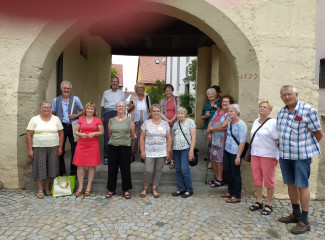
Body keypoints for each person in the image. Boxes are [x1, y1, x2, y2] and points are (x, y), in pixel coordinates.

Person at [277, 85, 323, 234]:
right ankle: (295, 214)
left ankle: (305, 220)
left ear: (296, 94)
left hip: (301, 156)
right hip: (285, 155)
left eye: (289, 94)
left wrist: (308, 150)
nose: (287, 97)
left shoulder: (308, 110)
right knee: (290, 184)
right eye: (284, 95)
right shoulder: (281, 112)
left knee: (302, 185)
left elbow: (318, 134)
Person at [26, 101, 64, 199]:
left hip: (53, 147)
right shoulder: (35, 119)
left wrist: (60, 147)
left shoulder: (56, 119)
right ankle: (39, 189)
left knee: (51, 167)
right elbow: (29, 135)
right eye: (44, 107)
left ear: (51, 109)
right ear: (40, 109)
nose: (46, 109)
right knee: (40, 167)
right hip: (39, 147)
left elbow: (61, 133)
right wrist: (30, 150)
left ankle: (47, 187)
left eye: (48, 107)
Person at [248, 100, 278, 215]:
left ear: (270, 110)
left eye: (265, 107)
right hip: (255, 154)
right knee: (257, 179)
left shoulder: (273, 123)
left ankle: (269, 204)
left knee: (269, 181)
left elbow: (277, 140)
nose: (262, 108)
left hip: (268, 155)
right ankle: (259, 201)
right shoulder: (256, 121)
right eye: (260, 106)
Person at [139, 104, 171, 198]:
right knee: (148, 170)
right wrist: (142, 151)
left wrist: (168, 151)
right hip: (149, 151)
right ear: (151, 112)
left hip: (161, 151)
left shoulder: (165, 123)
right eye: (154, 111)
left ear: (161, 112)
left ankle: (154, 189)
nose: (156, 113)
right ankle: (144, 188)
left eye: (158, 111)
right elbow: (141, 138)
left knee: (158, 171)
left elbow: (169, 138)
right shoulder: (146, 123)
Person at [52, 80, 83, 176]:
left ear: (70, 89)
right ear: (61, 89)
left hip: (73, 127)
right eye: (64, 88)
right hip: (61, 127)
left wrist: (76, 115)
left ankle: (73, 172)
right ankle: (62, 172)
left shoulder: (76, 99)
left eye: (68, 88)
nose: (66, 90)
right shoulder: (55, 100)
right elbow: (53, 113)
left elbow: (82, 110)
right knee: (60, 149)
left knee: (75, 150)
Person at [73, 102, 104, 197]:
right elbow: (75, 131)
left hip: (93, 145)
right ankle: (80, 186)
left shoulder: (97, 120)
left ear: (94, 111)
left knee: (91, 165)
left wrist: (94, 133)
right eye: (88, 109)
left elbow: (102, 132)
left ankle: (89, 186)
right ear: (85, 110)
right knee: (80, 165)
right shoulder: (81, 119)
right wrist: (80, 134)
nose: (89, 110)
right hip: (81, 144)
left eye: (92, 109)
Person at [105, 101, 135, 200]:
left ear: (125, 108)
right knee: (112, 169)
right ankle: (111, 189)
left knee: (125, 169)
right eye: (119, 106)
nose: (121, 107)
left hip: (125, 147)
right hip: (113, 147)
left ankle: (125, 190)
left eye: (123, 106)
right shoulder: (111, 120)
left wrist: (124, 141)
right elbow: (110, 134)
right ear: (116, 108)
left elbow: (132, 135)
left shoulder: (129, 120)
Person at [206, 95, 234, 187]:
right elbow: (211, 121)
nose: (224, 103)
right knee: (213, 158)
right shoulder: (218, 110)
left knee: (219, 159)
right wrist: (208, 132)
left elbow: (224, 126)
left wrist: (211, 129)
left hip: (222, 139)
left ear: (230, 103)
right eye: (223, 101)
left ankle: (220, 179)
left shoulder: (229, 113)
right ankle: (216, 177)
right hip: (213, 138)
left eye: (227, 101)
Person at [221, 104, 247, 203]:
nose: (229, 113)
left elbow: (242, 141)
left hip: (236, 152)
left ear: (237, 112)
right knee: (227, 171)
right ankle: (230, 191)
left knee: (235, 173)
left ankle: (237, 195)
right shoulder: (230, 123)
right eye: (228, 111)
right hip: (228, 150)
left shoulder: (241, 124)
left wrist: (238, 156)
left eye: (231, 111)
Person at [171, 107, 196, 198]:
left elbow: (193, 137)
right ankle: (181, 188)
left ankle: (189, 189)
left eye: (182, 113)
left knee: (184, 169)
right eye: (178, 113)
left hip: (186, 149)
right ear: (176, 114)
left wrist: (191, 151)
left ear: (185, 114)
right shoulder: (176, 124)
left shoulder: (190, 122)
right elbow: (173, 137)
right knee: (177, 169)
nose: (180, 115)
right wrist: (171, 150)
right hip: (176, 149)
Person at [101, 77, 125, 165]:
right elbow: (102, 106)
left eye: (116, 82)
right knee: (107, 135)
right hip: (107, 113)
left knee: (118, 134)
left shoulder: (122, 93)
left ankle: (117, 157)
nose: (115, 83)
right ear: (111, 83)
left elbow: (124, 106)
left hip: (118, 113)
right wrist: (102, 117)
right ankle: (106, 157)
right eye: (113, 82)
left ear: (118, 83)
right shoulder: (106, 92)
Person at [128, 83, 151, 162]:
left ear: (144, 89)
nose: (140, 89)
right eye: (138, 88)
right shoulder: (132, 97)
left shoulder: (147, 97)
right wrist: (131, 107)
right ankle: (132, 154)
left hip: (145, 121)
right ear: (136, 89)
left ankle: (143, 155)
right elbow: (128, 109)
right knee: (134, 137)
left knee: (144, 137)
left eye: (141, 88)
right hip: (134, 120)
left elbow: (150, 109)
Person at [160, 84, 180, 169]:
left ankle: (173, 160)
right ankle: (167, 158)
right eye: (167, 90)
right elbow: (160, 112)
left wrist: (172, 120)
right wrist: (167, 120)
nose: (168, 91)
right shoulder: (163, 101)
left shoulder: (176, 99)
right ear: (165, 91)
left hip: (175, 123)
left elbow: (178, 111)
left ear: (172, 90)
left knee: (173, 142)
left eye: (170, 90)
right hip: (165, 123)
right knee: (166, 142)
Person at [202, 87, 222, 169]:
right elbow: (202, 117)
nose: (210, 95)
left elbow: (224, 113)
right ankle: (212, 160)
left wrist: (217, 108)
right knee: (211, 144)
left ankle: (216, 160)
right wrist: (205, 116)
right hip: (207, 127)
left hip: (217, 127)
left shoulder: (219, 103)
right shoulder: (206, 104)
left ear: (215, 94)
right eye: (209, 94)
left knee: (216, 144)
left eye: (212, 94)